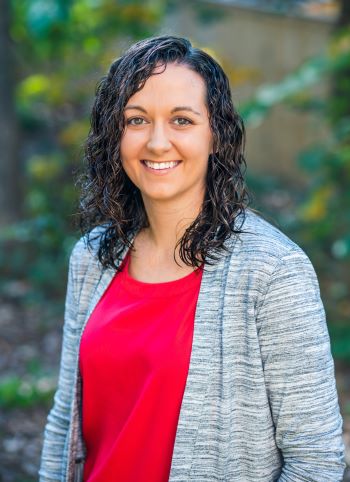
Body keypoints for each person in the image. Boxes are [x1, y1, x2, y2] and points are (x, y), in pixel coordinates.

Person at [39, 35, 345, 481]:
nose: (157, 142)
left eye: (182, 120)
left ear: (216, 135)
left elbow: (316, 463)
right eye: (137, 120)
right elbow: (65, 423)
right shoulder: (92, 257)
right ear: (114, 135)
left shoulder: (274, 273)